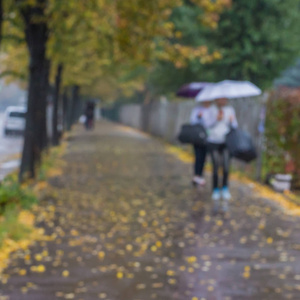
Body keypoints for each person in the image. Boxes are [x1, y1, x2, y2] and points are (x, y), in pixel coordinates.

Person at [207, 97, 238, 213]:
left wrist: (231, 121)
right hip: (213, 141)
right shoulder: (211, 110)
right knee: (216, 166)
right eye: (220, 99)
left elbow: (234, 125)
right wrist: (217, 119)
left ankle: (225, 188)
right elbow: (207, 125)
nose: (222, 101)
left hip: (225, 142)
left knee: (225, 166)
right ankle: (215, 189)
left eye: (224, 99)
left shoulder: (230, 110)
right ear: (216, 99)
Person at [189, 101, 214, 186]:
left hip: (207, 137)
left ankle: (201, 175)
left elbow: (210, 124)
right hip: (197, 137)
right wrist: (198, 117)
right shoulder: (197, 109)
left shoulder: (212, 110)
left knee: (204, 157)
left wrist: (202, 118)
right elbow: (192, 122)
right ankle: (196, 175)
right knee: (198, 156)